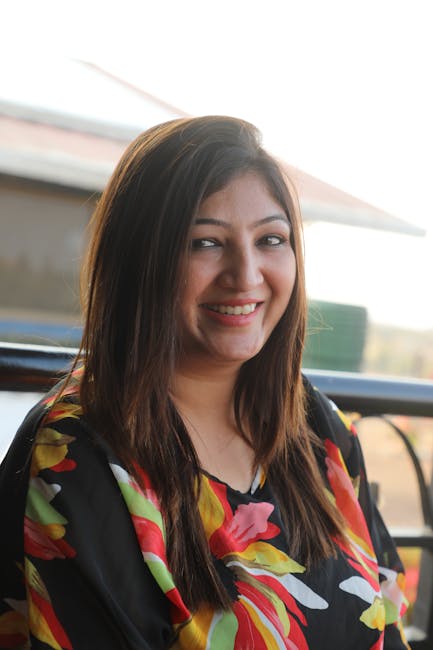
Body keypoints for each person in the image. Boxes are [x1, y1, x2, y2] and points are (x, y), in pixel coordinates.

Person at [0, 116, 409, 649]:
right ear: (140, 260)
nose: (246, 274)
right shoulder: (75, 455)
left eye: (270, 239)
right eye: (205, 243)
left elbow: (387, 617)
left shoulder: (316, 426)